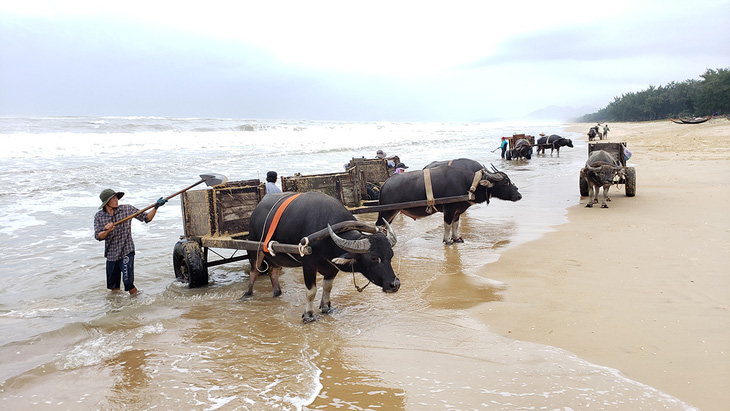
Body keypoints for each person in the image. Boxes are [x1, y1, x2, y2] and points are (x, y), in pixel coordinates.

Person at [94, 189, 166, 296]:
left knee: (128, 283)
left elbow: (146, 218)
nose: (116, 200)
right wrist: (107, 230)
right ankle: (119, 309)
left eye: (116, 197)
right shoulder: (99, 216)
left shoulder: (127, 209)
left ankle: (138, 302)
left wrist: (156, 207)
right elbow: (98, 236)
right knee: (114, 289)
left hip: (126, 251)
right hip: (111, 255)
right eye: (113, 198)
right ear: (106, 202)